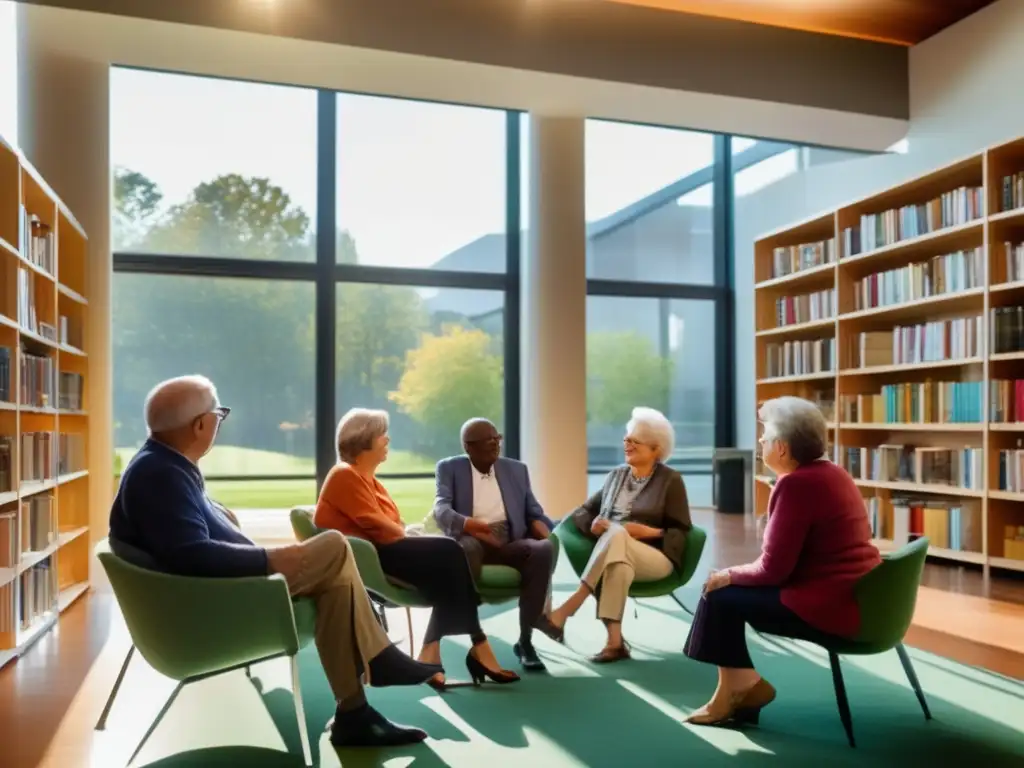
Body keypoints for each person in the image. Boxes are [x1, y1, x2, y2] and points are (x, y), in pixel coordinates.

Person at [108, 375, 442, 748]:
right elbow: (190, 554)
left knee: (337, 583)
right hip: (228, 601)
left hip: (229, 592)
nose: (220, 421)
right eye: (219, 414)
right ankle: (379, 657)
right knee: (333, 546)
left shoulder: (166, 465)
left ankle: (354, 713)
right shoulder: (160, 475)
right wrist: (271, 559)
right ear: (200, 424)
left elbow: (187, 542)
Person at [682, 396, 882, 726]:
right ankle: (742, 688)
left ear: (783, 448)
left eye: (765, 436)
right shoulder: (834, 473)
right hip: (859, 597)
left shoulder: (795, 485)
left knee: (717, 593)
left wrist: (728, 574)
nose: (760, 441)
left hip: (829, 604)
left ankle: (736, 692)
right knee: (724, 589)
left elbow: (773, 570)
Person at [314, 408, 520, 690]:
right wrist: (403, 531)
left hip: (386, 551)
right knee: (451, 553)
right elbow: (380, 527)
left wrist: (401, 530)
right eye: (381, 435)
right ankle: (473, 646)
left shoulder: (369, 480)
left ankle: (435, 651)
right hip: (376, 559)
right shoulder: (344, 475)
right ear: (364, 441)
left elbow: (390, 524)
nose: (387, 440)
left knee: (450, 568)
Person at [543, 407, 692, 663]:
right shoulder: (616, 476)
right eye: (627, 439)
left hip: (657, 557)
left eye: (635, 441)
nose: (628, 445)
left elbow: (682, 532)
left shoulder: (671, 480)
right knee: (618, 564)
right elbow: (582, 512)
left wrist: (648, 532)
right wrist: (594, 525)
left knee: (618, 533)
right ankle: (614, 644)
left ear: (656, 450)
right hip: (615, 551)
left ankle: (571, 606)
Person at [432, 418, 558, 671]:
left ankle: (526, 642)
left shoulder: (516, 470)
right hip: (473, 537)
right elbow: (440, 508)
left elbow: (534, 511)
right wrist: (469, 524)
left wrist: (547, 528)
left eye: (496, 438)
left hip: (509, 540)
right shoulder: (450, 468)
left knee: (542, 549)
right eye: (487, 440)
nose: (495, 444)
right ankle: (471, 630)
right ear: (469, 447)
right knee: (465, 548)